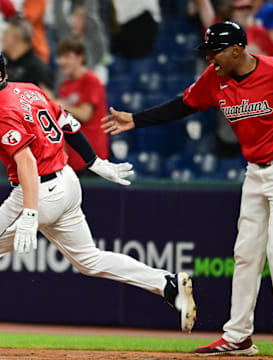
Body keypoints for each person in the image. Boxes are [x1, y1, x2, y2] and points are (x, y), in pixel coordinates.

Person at [101, 21, 273, 359]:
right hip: (257, 168)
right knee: (246, 252)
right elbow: (184, 104)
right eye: (208, 52)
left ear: (238, 49)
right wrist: (136, 119)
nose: (210, 58)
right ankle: (238, 336)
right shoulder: (216, 77)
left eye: (216, 51)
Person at [0, 54, 196, 333]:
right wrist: (95, 162)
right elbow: (67, 121)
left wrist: (30, 214)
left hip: (38, 191)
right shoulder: (29, 89)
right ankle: (166, 283)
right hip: (67, 182)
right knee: (89, 260)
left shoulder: (2, 109)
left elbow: (27, 163)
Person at [47, 38, 109, 176]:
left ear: (80, 58)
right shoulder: (65, 85)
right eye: (61, 57)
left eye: (67, 57)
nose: (62, 62)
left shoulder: (91, 80)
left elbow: (85, 114)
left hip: (92, 158)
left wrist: (58, 104)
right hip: (73, 161)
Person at [2, 16, 53, 89]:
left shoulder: (38, 70)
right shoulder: (5, 62)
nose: (2, 38)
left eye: (6, 34)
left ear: (16, 38)